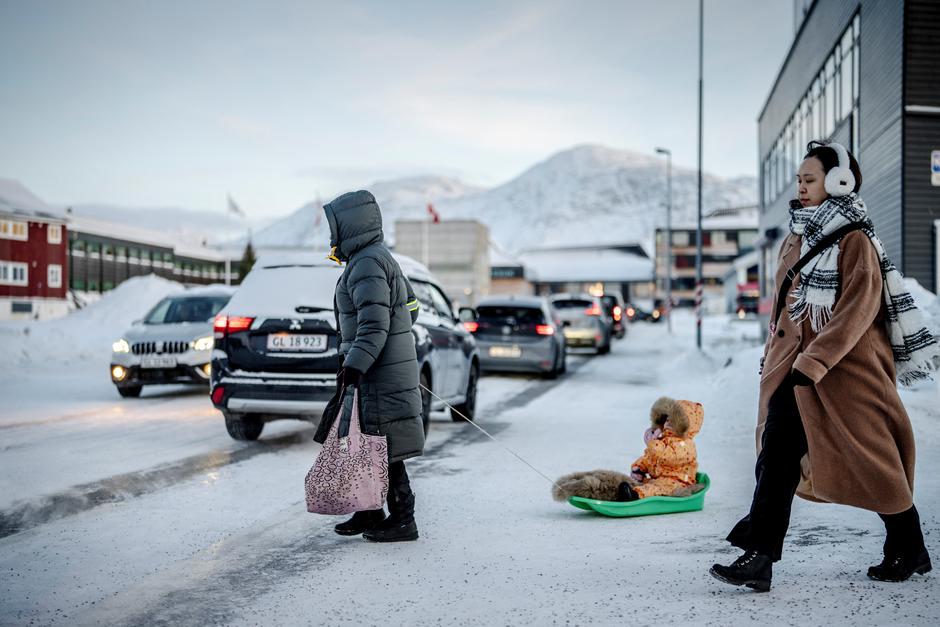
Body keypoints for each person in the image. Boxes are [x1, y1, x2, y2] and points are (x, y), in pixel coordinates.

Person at [710, 141, 938, 592]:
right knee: (776, 450)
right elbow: (787, 302)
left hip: (847, 373)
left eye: (809, 179)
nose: (801, 186)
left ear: (840, 182)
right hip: (796, 369)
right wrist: (777, 352)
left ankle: (908, 546)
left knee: (874, 460)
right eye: (799, 178)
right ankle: (761, 556)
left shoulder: (855, 238)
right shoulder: (797, 233)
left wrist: (813, 362)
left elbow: (857, 309)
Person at [314, 190, 425, 542]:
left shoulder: (366, 263)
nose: (331, 234)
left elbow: (374, 324)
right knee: (366, 443)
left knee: (383, 446)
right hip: (382, 367)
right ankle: (369, 510)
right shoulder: (376, 258)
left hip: (377, 372)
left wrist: (356, 363)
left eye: (334, 226)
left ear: (349, 225)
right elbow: (410, 306)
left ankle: (404, 519)